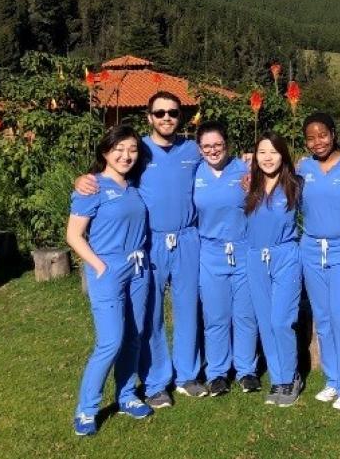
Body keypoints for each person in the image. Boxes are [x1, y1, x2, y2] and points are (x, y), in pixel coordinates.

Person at [75, 91, 206, 406]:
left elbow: (221, 166)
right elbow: (109, 174)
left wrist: (243, 172)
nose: (166, 118)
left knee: (188, 308)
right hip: (150, 242)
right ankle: (156, 381)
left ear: (180, 116)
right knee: (151, 315)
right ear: (149, 117)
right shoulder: (138, 150)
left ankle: (187, 374)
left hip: (188, 238)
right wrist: (81, 179)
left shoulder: (192, 149)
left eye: (172, 112)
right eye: (159, 113)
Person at [67, 125, 152, 436]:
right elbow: (73, 235)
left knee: (134, 336)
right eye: (119, 149)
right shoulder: (91, 187)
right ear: (105, 152)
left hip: (138, 268)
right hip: (108, 270)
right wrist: (100, 267)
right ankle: (87, 409)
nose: (126, 155)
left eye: (132, 149)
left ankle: (127, 395)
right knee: (110, 341)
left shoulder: (134, 187)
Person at [297, 112, 340, 411]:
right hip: (311, 248)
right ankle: (332, 379)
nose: (317, 141)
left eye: (322, 134)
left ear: (334, 134)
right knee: (322, 317)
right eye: (311, 137)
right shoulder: (303, 167)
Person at [193, 121, 259, 396]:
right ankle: (217, 373)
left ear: (227, 145)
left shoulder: (244, 169)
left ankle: (246, 371)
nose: (213, 150)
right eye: (207, 146)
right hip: (210, 251)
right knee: (216, 315)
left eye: (218, 144)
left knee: (245, 314)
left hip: (242, 248)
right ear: (199, 148)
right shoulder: (194, 173)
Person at [244, 131, 304, 407]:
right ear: (255, 156)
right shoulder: (248, 186)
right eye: (262, 152)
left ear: (283, 155)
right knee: (266, 322)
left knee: (282, 320)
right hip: (255, 257)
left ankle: (292, 376)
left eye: (274, 152)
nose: (268, 158)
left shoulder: (296, 185)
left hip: (285, 256)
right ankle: (278, 379)